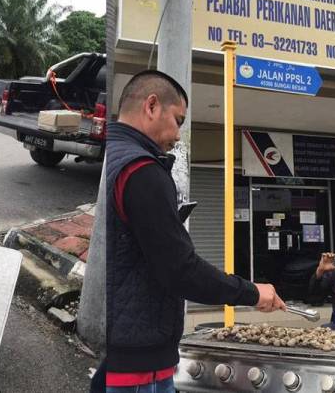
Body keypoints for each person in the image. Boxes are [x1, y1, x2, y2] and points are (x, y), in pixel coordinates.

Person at [105, 70, 285, 393]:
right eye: (178, 120)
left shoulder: (117, 157)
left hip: (134, 354)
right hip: (138, 369)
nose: (177, 136)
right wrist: (253, 293)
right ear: (151, 106)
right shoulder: (142, 170)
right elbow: (180, 270)